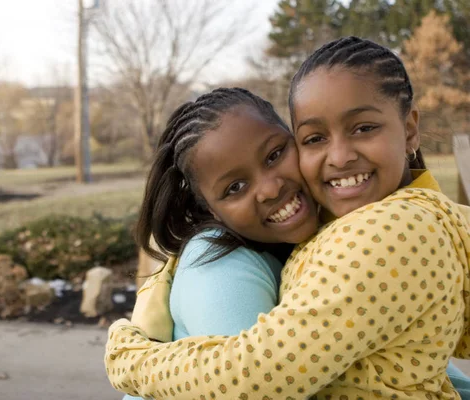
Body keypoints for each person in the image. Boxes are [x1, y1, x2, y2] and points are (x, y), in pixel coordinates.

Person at [105, 37, 470, 399]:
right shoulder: (402, 218)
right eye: (315, 138)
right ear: (211, 208)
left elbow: (253, 378)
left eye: (363, 128)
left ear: (409, 129)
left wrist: (131, 360)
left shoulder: (389, 230)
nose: (340, 157)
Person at [122, 87, 320, 400]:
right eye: (235, 187)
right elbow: (255, 391)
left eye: (274, 155)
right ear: (211, 209)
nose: (269, 189)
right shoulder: (219, 267)